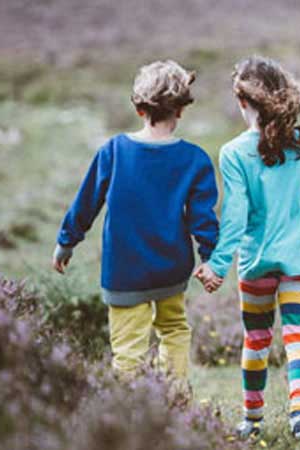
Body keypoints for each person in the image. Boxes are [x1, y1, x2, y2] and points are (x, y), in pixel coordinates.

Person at [195, 56, 300, 441]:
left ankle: (251, 419)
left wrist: (218, 264)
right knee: (299, 335)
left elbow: (234, 217)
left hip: (255, 263)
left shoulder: (234, 152)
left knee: (257, 339)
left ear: (243, 103)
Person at [53, 60, 220, 382]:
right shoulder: (194, 158)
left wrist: (66, 242)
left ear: (139, 108)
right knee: (173, 330)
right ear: (181, 110)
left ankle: (132, 414)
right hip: (172, 267)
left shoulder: (113, 151)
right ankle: (175, 401)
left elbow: (86, 202)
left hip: (123, 270)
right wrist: (211, 258)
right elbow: (203, 219)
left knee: (128, 348)